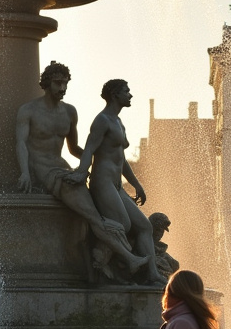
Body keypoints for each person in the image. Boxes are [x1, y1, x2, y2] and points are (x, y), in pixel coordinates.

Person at [15, 61, 147, 275]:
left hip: (62, 167)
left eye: (65, 83)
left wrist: (96, 159)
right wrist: (24, 173)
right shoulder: (28, 110)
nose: (62, 88)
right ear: (46, 83)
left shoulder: (69, 112)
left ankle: (103, 254)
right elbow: (21, 143)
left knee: (91, 208)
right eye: (58, 83)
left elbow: (74, 148)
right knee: (93, 214)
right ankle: (127, 257)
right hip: (42, 169)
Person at [67, 79, 161, 284]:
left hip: (117, 185)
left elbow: (121, 159)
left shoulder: (119, 122)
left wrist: (136, 184)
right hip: (103, 182)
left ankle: (152, 273)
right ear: (114, 94)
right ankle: (102, 261)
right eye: (126, 91)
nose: (130, 95)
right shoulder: (102, 120)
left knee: (145, 226)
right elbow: (89, 149)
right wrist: (82, 172)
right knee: (123, 224)